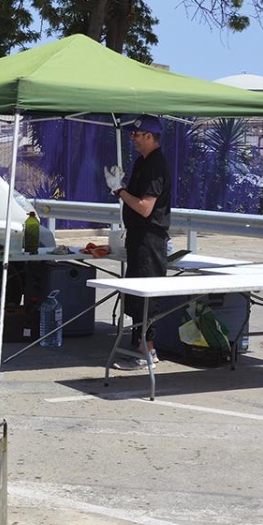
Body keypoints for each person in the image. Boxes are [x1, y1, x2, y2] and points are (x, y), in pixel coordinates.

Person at [104, 114, 171, 368]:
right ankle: (140, 346)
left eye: (137, 134)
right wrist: (121, 187)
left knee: (146, 295)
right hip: (138, 236)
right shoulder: (143, 162)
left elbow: (145, 208)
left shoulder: (155, 164)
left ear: (149, 137)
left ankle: (148, 351)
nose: (133, 138)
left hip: (149, 238)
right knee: (135, 295)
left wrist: (119, 190)